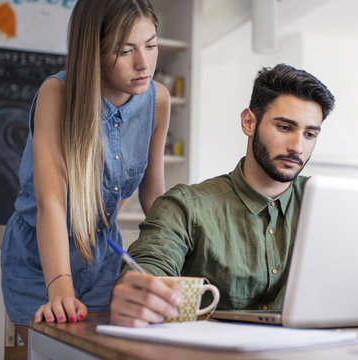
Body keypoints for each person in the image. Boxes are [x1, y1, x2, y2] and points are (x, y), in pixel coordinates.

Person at [109, 63, 334, 326]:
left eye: (309, 134)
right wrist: (135, 292)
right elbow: (149, 265)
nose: (298, 147)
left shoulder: (327, 206)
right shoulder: (184, 207)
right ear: (248, 122)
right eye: (285, 127)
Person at [0, 0, 170, 343]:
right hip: (41, 265)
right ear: (93, 50)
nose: (144, 63)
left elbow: (153, 194)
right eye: (125, 51)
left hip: (104, 264)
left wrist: (175, 262)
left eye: (151, 45)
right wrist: (60, 287)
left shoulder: (158, 99)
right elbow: (52, 203)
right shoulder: (57, 94)